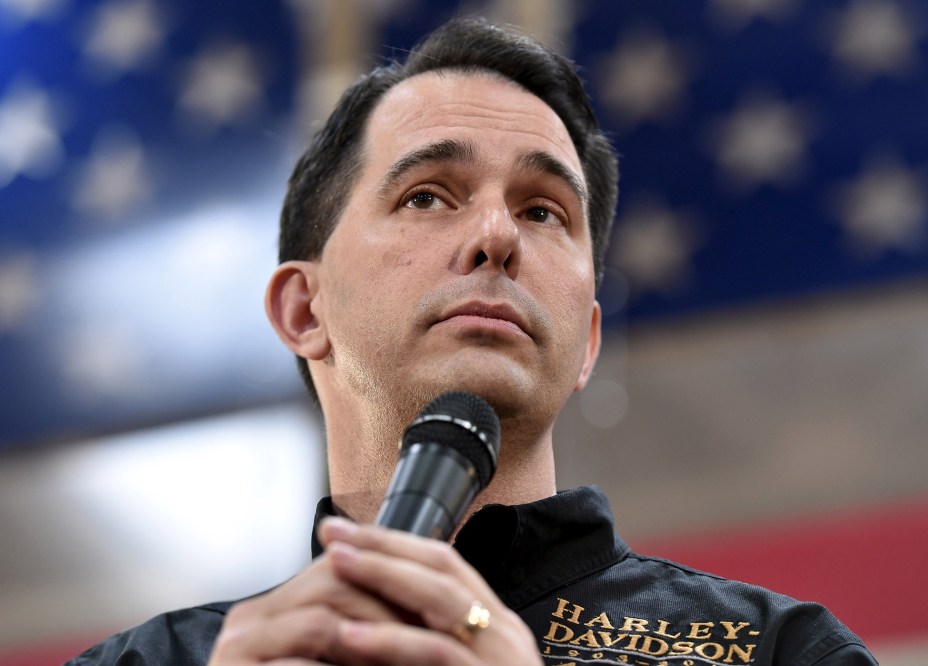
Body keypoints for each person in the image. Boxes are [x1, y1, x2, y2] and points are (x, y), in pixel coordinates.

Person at [71, 17, 878, 666]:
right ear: (304, 310)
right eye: (427, 197)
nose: (497, 235)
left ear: (587, 342)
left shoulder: (781, 651)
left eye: (543, 211)